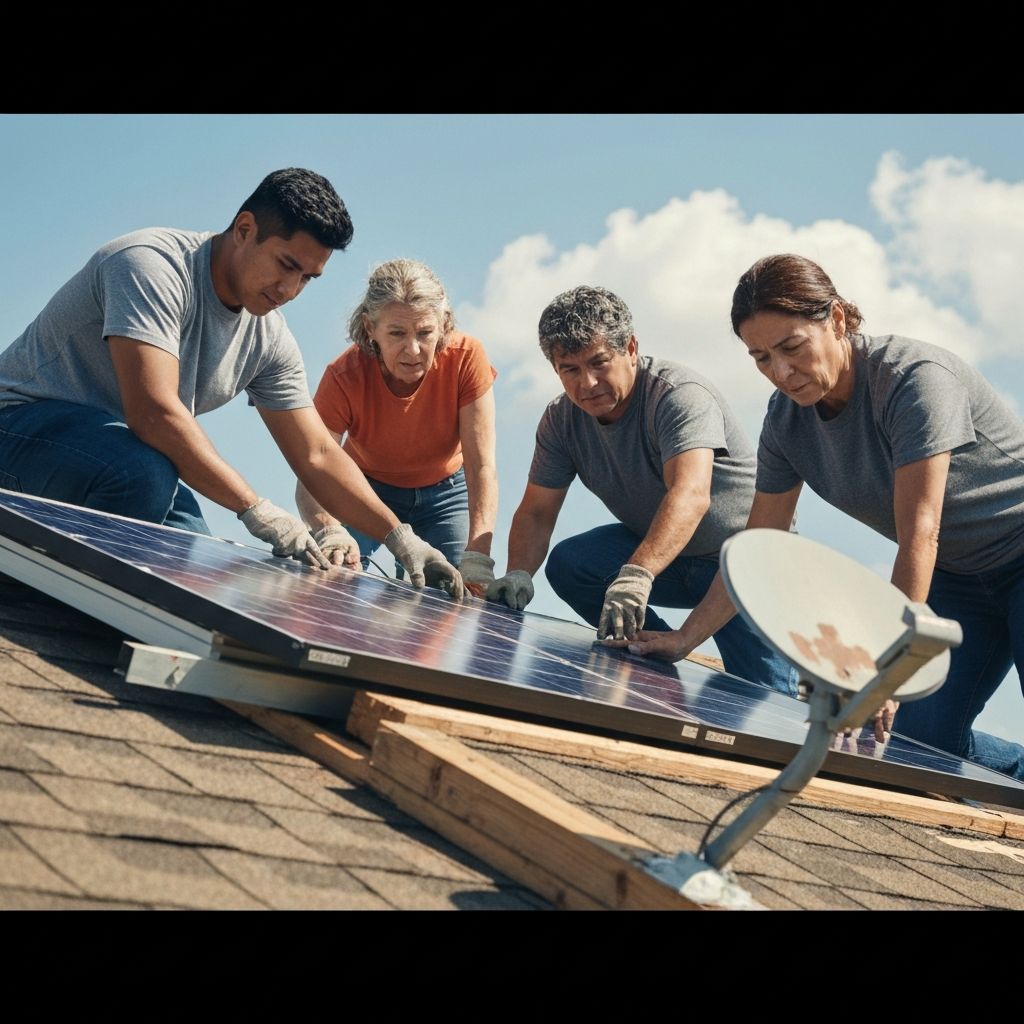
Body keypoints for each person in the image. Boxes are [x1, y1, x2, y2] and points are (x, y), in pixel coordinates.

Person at [625, 253, 1024, 778]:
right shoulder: (786, 423)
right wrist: (686, 638)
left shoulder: (913, 381)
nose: (782, 373)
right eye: (762, 358)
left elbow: (919, 533)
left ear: (836, 319)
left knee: (889, 702)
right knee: (915, 748)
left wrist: (887, 672)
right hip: (959, 578)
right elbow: (757, 547)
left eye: (792, 347)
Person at [0, 169, 462, 596]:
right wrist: (255, 508)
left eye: (307, 278)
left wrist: (402, 539)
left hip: (125, 455)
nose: (289, 289)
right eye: (285, 264)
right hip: (19, 428)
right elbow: (154, 413)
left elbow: (317, 454)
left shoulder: (269, 339)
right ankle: (57, 601)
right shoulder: (150, 266)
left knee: (194, 573)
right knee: (142, 474)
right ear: (244, 230)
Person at [486, 284, 796, 694]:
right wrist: (519, 574)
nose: (588, 383)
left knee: (765, 705)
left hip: (739, 565)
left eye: (599, 363)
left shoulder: (679, 397)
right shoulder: (561, 421)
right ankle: (652, 661)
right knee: (572, 563)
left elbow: (690, 494)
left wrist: (636, 576)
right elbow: (537, 512)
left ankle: (687, 648)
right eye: (570, 370)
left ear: (630, 348)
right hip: (666, 559)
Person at [295, 259, 497, 590]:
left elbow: (482, 466)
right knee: (330, 574)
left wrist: (479, 556)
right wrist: (329, 529)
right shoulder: (343, 376)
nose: (413, 349)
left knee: (460, 591)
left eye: (425, 332)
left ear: (444, 325)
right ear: (370, 327)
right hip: (365, 488)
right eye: (397, 333)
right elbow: (312, 472)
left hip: (447, 494)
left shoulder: (466, 357)